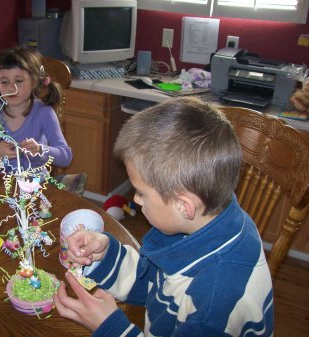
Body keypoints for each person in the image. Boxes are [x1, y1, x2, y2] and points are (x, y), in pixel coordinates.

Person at [53, 97, 274, 337]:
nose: (136, 200)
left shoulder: (211, 310)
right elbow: (158, 284)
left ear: (183, 205)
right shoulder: (205, 222)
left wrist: (110, 329)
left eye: (140, 192)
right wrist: (105, 256)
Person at [0, 46, 72, 173]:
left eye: (19, 81)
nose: (11, 88)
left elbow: (65, 157)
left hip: (35, 185)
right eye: (4, 82)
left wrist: (40, 150)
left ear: (34, 82)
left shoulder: (44, 113)